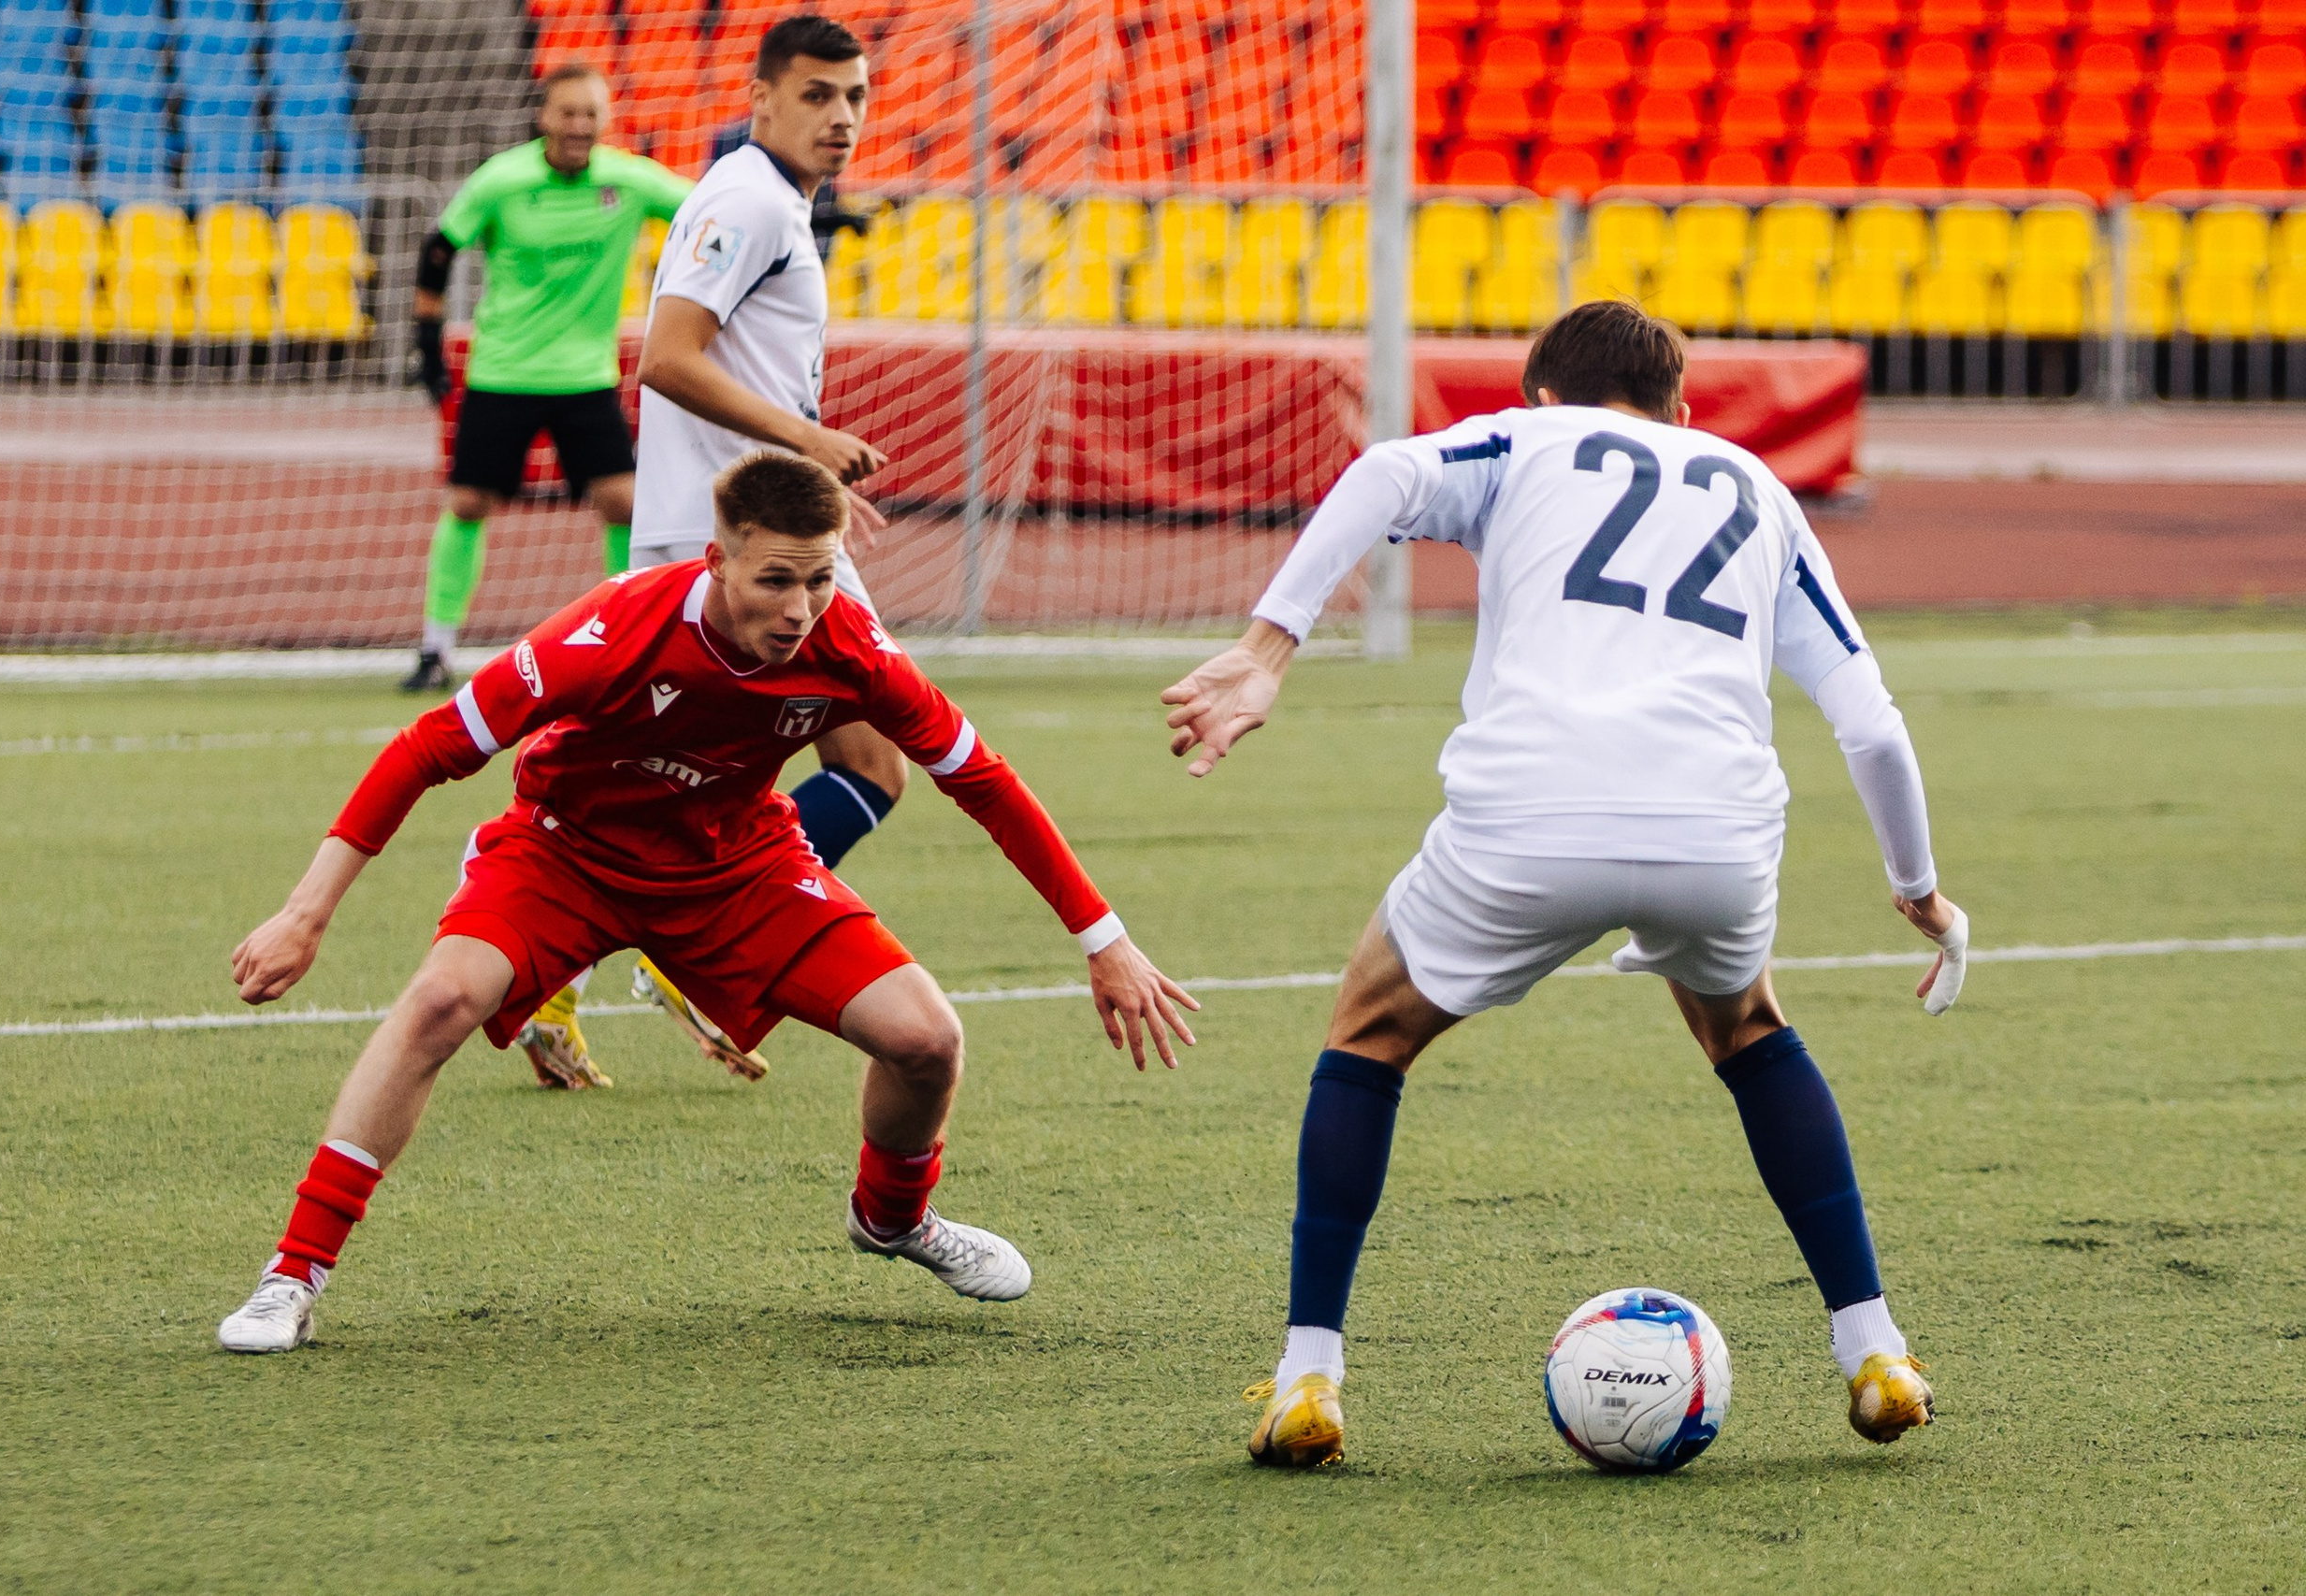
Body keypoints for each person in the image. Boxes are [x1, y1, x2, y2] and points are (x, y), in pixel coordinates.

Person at [1160, 300, 1970, 1467]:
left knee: (1367, 1034)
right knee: (1748, 1028)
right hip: (1717, 829)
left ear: (1541, 393)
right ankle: (1875, 1349)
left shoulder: (1524, 443)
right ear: (1681, 411)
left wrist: (1266, 647)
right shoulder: (1755, 487)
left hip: (1528, 813)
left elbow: (1386, 470)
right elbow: (1874, 730)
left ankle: (1308, 1378)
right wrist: (1919, 891)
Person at [216, 453, 1199, 1354]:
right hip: (565, 856)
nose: (800, 606)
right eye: (774, 579)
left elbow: (982, 780)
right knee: (437, 1003)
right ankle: (291, 1276)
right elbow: (426, 748)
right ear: (715, 560)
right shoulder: (609, 632)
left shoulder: (849, 646)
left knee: (928, 1040)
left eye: (819, 578)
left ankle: (892, 1218)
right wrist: (307, 912)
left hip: (738, 867)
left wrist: (1102, 939)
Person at [514, 16, 906, 1089]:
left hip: (758, 530)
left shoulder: (768, 202)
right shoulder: (744, 199)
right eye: (819, 95)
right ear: (763, 96)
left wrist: (808, 474)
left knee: (684, 780)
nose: (841, 117)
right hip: (725, 544)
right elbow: (669, 360)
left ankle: (584, 970)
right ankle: (678, 954)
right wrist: (809, 441)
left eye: (856, 97)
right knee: (862, 763)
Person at [399, 63, 696, 696]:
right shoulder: (503, 180)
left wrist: (810, 219)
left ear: (606, 121)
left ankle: (622, 641)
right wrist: (427, 344)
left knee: (624, 503)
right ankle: (435, 647)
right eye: (568, 113)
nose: (580, 127)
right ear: (544, 117)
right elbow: (438, 251)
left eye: (592, 115)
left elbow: (711, 215)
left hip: (584, 377)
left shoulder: (629, 181)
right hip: (502, 372)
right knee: (470, 504)